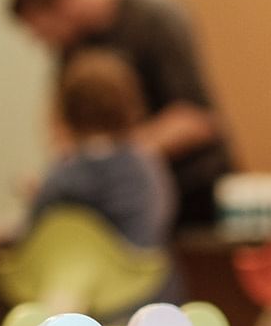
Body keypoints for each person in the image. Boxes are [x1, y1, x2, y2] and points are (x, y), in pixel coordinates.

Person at [8, 0, 233, 228]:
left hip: (191, 195)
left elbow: (197, 120)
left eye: (44, 33)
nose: (45, 45)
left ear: (64, 5)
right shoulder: (71, 42)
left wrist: (109, 163)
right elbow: (61, 123)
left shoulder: (155, 21)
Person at [28, 48, 176, 250]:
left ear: (66, 113)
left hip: (78, 279)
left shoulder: (62, 176)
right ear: (132, 107)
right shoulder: (146, 168)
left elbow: (34, 235)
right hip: (145, 278)